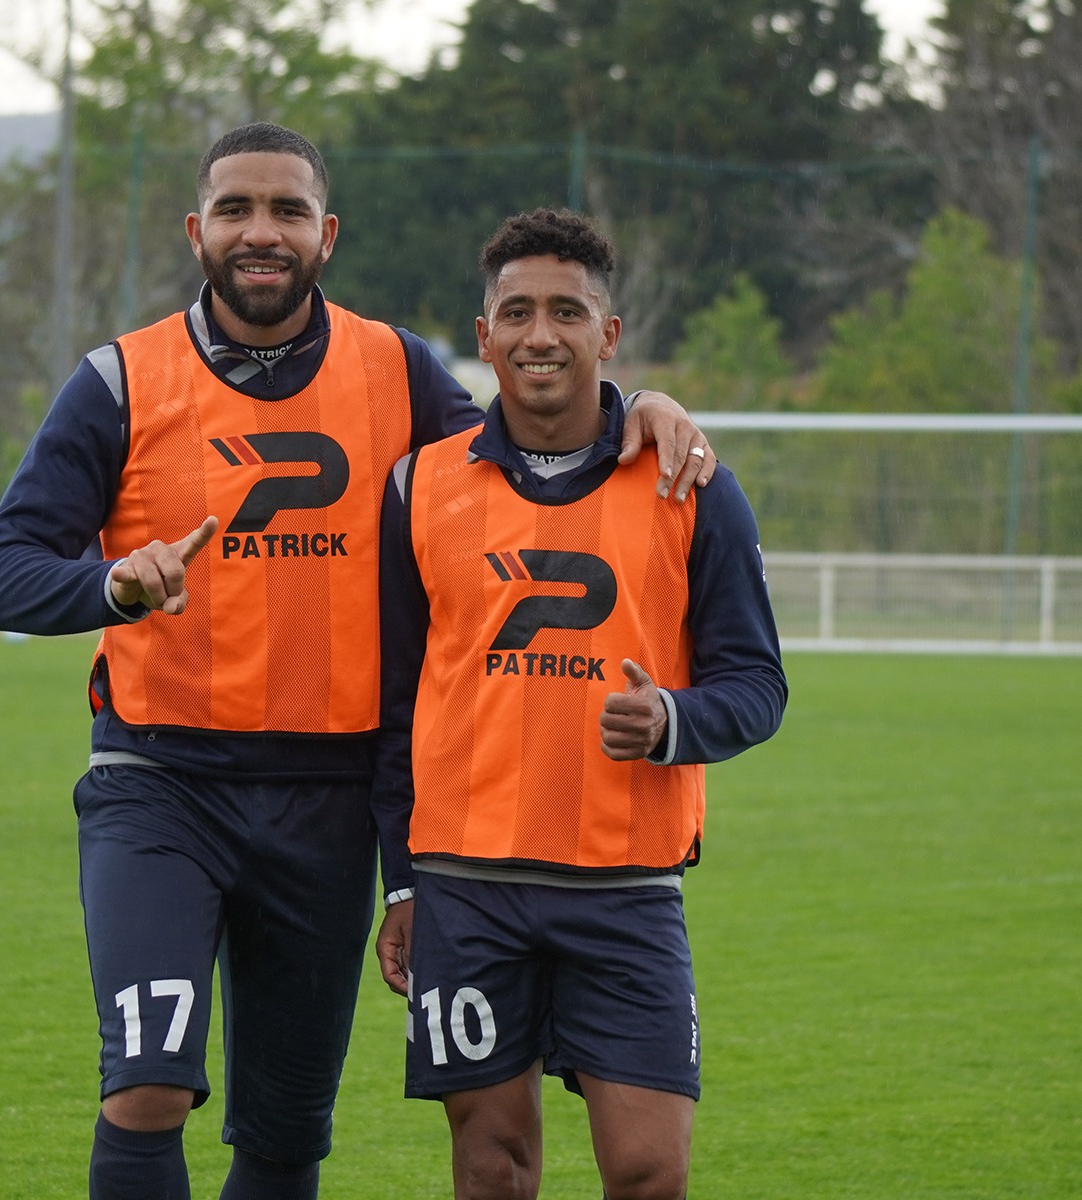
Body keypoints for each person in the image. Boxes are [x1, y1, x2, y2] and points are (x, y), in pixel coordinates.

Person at [0, 123, 715, 1200]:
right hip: (158, 785)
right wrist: (111, 587)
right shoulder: (119, 382)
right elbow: (0, 576)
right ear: (196, 231)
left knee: (284, 1133)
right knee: (146, 1088)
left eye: (284, 211)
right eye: (234, 209)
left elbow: (528, 449)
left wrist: (634, 405)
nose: (259, 232)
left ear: (327, 233)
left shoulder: (397, 369)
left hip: (325, 804)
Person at [372, 210, 787, 1200]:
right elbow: (394, 707)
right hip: (466, 886)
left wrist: (671, 723)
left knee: (649, 1173)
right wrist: (400, 884)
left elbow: (757, 685)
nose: (539, 334)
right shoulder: (418, 488)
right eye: (515, 311)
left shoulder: (689, 483)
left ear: (608, 332)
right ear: (483, 338)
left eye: (567, 310)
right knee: (490, 1169)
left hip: (625, 888)